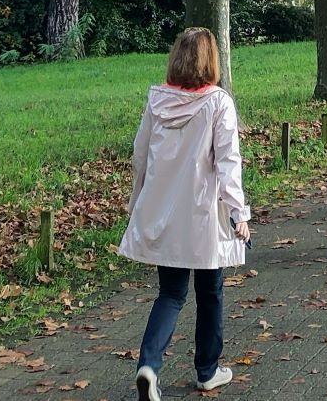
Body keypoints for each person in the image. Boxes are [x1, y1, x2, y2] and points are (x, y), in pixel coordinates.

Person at [121, 28, 251, 401]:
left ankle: (149, 365)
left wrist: (138, 204)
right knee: (210, 292)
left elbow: (140, 155)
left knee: (171, 294)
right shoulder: (218, 103)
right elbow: (228, 162)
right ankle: (207, 370)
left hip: (165, 211)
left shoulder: (157, 99)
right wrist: (238, 212)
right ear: (212, 59)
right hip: (204, 214)